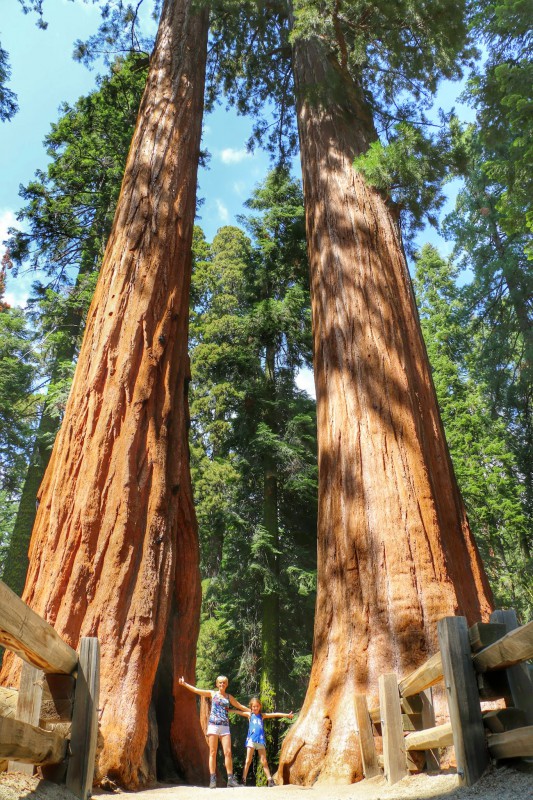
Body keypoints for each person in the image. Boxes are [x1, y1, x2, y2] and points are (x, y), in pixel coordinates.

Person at [178, 674, 248, 788]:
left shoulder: (229, 697)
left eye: (224, 683)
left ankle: (230, 779)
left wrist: (252, 711)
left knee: (228, 752)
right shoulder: (213, 693)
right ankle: (212, 779)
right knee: (212, 752)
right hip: (213, 726)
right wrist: (184, 684)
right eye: (220, 682)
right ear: (217, 684)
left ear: (226, 684)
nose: (222, 684)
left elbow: (239, 706)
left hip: (225, 726)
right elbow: (197, 690)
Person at [237, 696, 294, 787]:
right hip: (251, 740)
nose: (255, 708)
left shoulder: (262, 716)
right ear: (251, 707)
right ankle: (243, 780)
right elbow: (239, 711)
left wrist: (287, 715)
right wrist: (228, 710)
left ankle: (270, 780)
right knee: (248, 760)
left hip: (260, 740)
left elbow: (275, 714)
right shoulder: (249, 715)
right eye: (253, 706)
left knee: (264, 761)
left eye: (257, 706)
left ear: (260, 706)